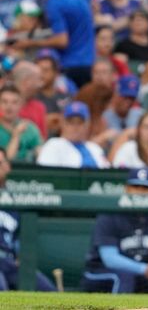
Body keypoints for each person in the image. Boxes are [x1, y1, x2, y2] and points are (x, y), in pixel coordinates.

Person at [82, 168, 148, 293]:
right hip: (101, 271)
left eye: (146, 188)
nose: (140, 192)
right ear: (126, 188)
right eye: (136, 187)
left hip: (144, 272)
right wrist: (145, 269)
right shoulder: (111, 213)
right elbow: (110, 259)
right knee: (123, 277)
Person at [25, 0, 95, 87]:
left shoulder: (54, 3)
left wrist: (30, 43)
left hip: (71, 63)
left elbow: (62, 40)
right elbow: (94, 8)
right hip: (90, 59)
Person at [0, 147, 56, 292]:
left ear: (8, 166)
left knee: (47, 290)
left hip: (9, 261)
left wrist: (21, 256)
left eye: (1, 163)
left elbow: (20, 237)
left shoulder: (16, 200)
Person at [37, 102, 108, 168]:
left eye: (80, 122)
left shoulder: (94, 148)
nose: (75, 127)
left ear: (87, 124)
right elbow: (46, 175)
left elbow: (107, 175)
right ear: (63, 124)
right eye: (71, 122)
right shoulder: (53, 145)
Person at [0, 85, 41, 162]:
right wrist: (16, 136)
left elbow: (41, 157)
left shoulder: (30, 128)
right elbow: (6, 162)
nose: (9, 106)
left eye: (14, 102)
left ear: (21, 105)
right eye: (4, 101)